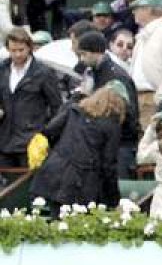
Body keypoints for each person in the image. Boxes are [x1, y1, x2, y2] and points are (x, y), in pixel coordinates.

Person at [29, 83, 127, 215]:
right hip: (83, 183)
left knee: (56, 219)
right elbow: (108, 165)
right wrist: (114, 201)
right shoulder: (112, 126)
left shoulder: (73, 112)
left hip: (54, 175)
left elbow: (48, 132)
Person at [75, 30, 140, 177]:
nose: (82, 59)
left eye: (84, 54)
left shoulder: (116, 76)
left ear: (95, 52)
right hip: (102, 144)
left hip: (121, 145)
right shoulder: (93, 74)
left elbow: (129, 114)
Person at [0, 28, 62, 167]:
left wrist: (47, 134)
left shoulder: (43, 72)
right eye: (13, 50)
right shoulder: (2, 69)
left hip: (31, 142)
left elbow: (57, 107)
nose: (17, 54)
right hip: (4, 141)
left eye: (21, 50)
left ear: (30, 48)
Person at [129, 0, 162, 122]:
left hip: (152, 98)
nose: (133, 13)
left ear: (147, 9)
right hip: (137, 98)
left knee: (150, 139)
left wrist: (160, 97)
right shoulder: (142, 36)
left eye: (136, 9)